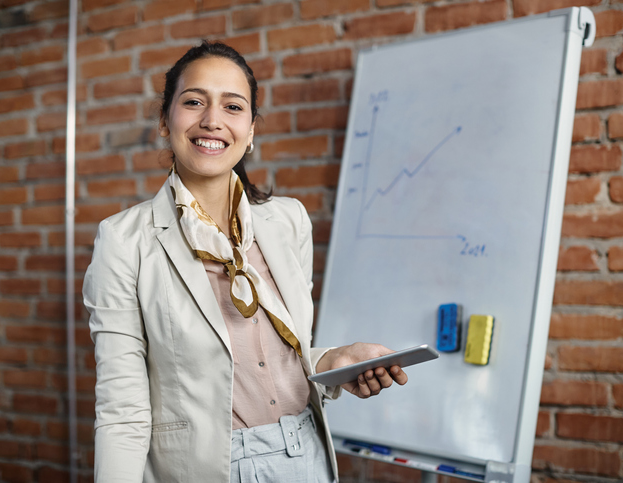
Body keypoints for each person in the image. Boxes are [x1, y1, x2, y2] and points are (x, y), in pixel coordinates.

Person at [83, 41, 408, 483]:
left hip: (306, 454)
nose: (212, 120)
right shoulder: (124, 241)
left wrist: (335, 361)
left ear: (251, 130)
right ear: (165, 120)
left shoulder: (287, 221)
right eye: (194, 101)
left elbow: (271, 361)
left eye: (232, 106)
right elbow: (122, 408)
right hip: (207, 469)